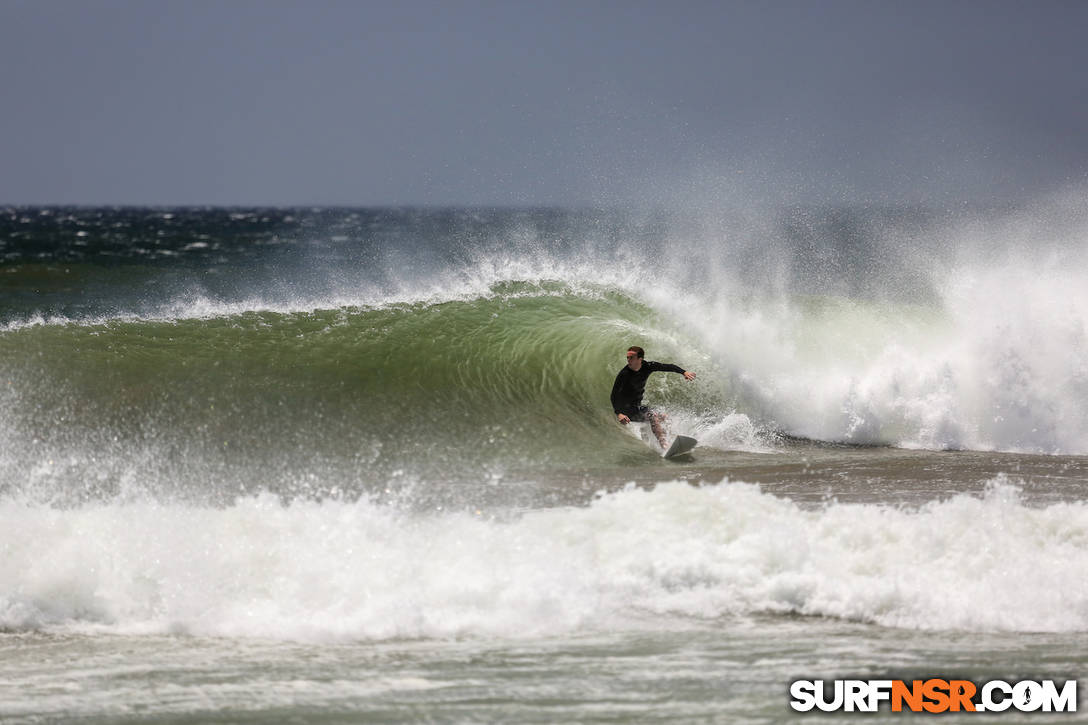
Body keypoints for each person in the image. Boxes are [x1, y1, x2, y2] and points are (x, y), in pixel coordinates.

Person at [610, 345, 696, 448]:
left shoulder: (647, 366)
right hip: (626, 411)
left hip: (637, 407)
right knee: (652, 415)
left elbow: (668, 366)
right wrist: (619, 413)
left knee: (664, 417)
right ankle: (664, 444)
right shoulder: (624, 374)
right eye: (627, 357)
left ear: (640, 359)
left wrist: (684, 372)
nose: (628, 360)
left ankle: (671, 439)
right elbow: (614, 395)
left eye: (631, 357)